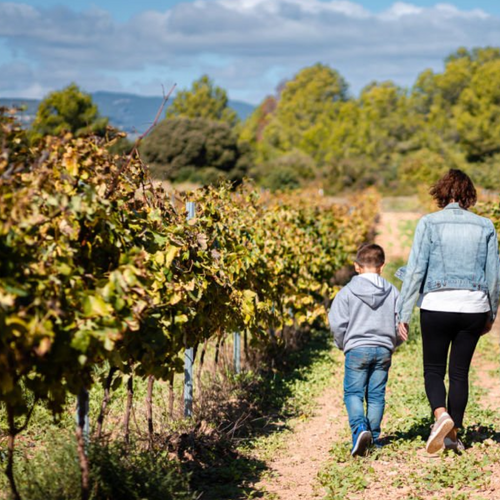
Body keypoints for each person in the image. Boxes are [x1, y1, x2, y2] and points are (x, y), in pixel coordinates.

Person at [397, 169, 500, 454]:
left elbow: (416, 270)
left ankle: (441, 416)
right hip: (474, 306)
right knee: (459, 373)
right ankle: (453, 435)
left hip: (437, 305)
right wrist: (491, 312)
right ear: (469, 195)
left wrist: (403, 312)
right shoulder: (486, 225)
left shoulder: (429, 223)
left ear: (441, 193)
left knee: (433, 369)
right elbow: (494, 275)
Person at [329, 243, 402, 457]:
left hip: (357, 348)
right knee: (376, 395)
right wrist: (393, 343)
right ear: (382, 266)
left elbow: (337, 323)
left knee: (353, 392)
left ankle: (360, 429)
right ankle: (374, 438)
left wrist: (344, 343)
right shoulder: (393, 291)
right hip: (383, 349)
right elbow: (400, 322)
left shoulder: (346, 292)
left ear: (356, 267)